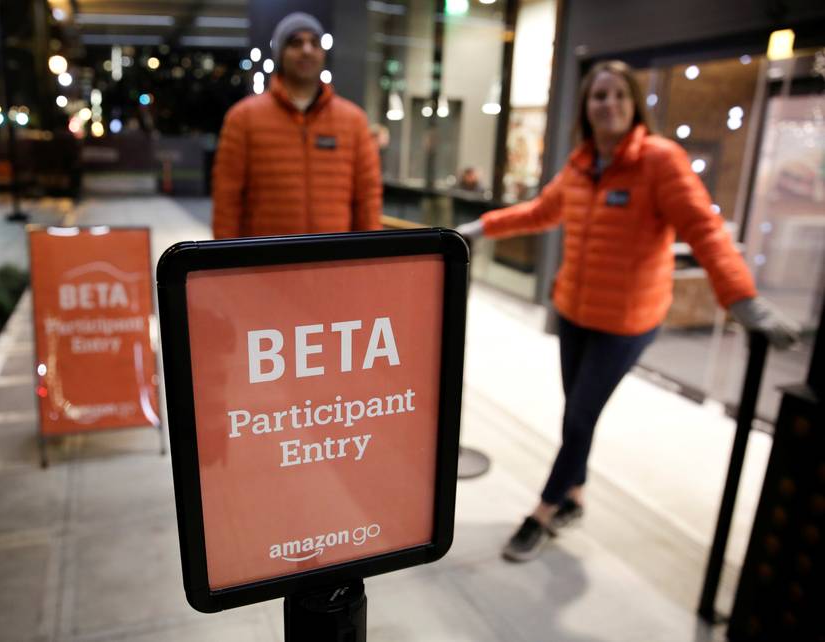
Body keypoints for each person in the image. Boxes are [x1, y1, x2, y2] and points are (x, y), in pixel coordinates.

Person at [457, 60, 799, 562]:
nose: (609, 104)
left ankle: (544, 510)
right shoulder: (580, 164)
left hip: (627, 323)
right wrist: (482, 228)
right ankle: (575, 496)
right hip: (574, 312)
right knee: (579, 416)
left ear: (634, 103)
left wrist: (740, 298)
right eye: (599, 96)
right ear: (586, 107)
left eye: (619, 95)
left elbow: (704, 229)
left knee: (578, 419)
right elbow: (539, 212)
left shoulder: (660, 161)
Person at [212, 12, 382, 239]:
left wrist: (370, 260)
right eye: (295, 42)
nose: (307, 50)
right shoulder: (243, 118)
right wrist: (224, 265)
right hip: (266, 263)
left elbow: (367, 200)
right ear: (280, 54)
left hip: (334, 264)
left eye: (314, 42)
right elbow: (227, 200)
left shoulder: (354, 121)